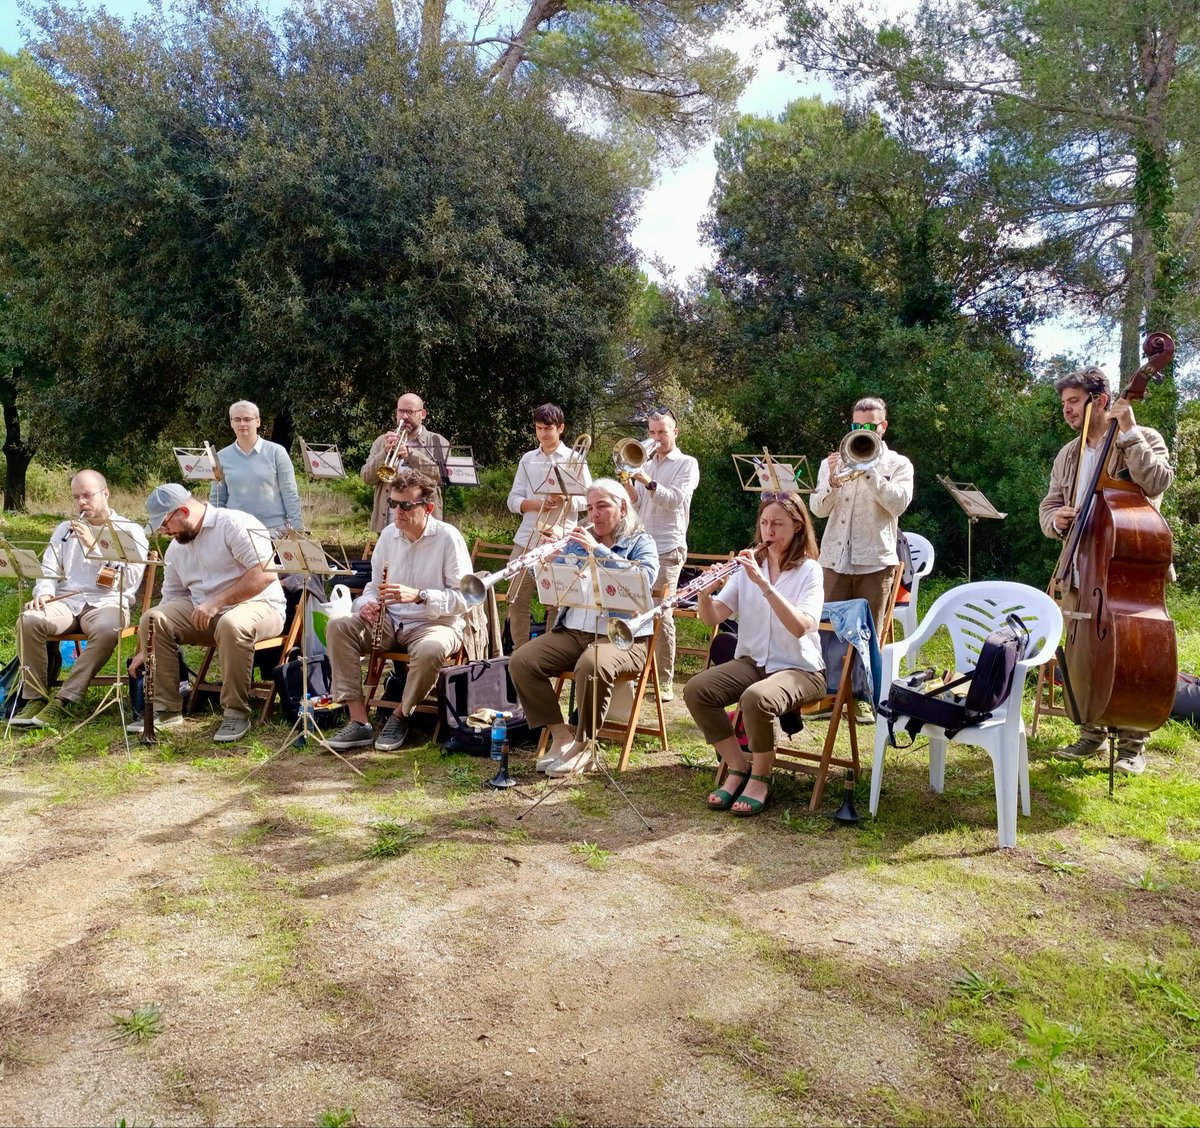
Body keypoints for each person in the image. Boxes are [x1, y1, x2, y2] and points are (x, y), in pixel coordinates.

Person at [1039, 365, 1174, 775]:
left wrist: (1130, 432)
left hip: (1126, 566)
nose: (1067, 411)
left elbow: (1158, 482)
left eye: (1074, 402)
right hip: (1082, 566)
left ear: (1100, 400)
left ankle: (1133, 743)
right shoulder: (1068, 454)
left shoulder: (1142, 438)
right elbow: (1048, 505)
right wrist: (1055, 520)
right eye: (1064, 404)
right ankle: (1091, 731)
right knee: (1084, 655)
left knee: (1134, 655)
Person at [683, 494, 826, 816]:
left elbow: (802, 626)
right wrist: (705, 593)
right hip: (752, 661)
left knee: (755, 698)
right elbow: (712, 617)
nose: (768, 531)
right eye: (764, 523)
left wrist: (763, 583)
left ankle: (760, 777)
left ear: (797, 526)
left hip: (800, 668)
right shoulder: (748, 566)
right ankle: (737, 766)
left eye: (777, 524)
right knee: (697, 690)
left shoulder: (809, 571)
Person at [509, 478, 659, 777]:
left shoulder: (642, 542)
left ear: (623, 508)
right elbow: (553, 589)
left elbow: (644, 580)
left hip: (621, 638)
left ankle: (584, 744)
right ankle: (561, 735)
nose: (594, 515)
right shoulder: (576, 543)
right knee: (522, 661)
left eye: (602, 506)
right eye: (590, 508)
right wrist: (549, 559)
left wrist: (599, 552)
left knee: (590, 665)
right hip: (572, 631)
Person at [325, 469, 471, 752]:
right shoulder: (389, 536)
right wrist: (364, 604)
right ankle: (359, 721)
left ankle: (400, 714)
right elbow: (372, 587)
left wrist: (421, 596)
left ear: (428, 508)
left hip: (436, 623)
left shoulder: (448, 538)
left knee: (431, 649)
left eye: (406, 505)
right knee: (338, 627)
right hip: (391, 620)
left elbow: (466, 598)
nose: (397, 512)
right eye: (393, 503)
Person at [128, 484, 286, 743]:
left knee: (231, 623)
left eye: (165, 523)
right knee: (154, 619)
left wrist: (218, 601)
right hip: (206, 612)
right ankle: (166, 710)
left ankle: (236, 712)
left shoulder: (234, 524)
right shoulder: (177, 547)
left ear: (184, 511)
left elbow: (265, 574)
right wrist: (145, 648)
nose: (163, 531)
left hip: (261, 605)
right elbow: (172, 599)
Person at [9, 470, 148, 729]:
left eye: (87, 495)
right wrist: (44, 593)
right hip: (66, 601)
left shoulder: (129, 530)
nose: (81, 503)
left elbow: (130, 581)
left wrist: (94, 547)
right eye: (76, 497)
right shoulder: (64, 530)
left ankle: (64, 699)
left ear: (105, 494)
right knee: (29, 620)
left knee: (108, 629)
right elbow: (49, 569)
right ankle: (35, 696)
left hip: (108, 602)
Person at [808, 396, 913, 635]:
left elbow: (898, 505)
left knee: (868, 637)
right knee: (826, 634)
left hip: (875, 564)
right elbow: (817, 510)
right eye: (856, 427)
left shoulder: (899, 464)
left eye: (869, 427)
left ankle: (865, 675)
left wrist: (869, 471)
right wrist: (832, 481)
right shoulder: (831, 462)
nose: (862, 431)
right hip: (834, 562)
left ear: (883, 427)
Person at [622, 407, 699, 701]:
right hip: (640, 544)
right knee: (633, 609)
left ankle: (664, 681)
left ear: (675, 432)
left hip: (668, 546)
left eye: (662, 432)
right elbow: (637, 503)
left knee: (661, 612)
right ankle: (635, 673)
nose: (656, 438)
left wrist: (644, 479)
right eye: (652, 432)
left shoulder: (687, 464)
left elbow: (674, 501)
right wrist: (628, 483)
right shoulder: (648, 464)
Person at [505, 403, 592, 650]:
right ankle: (519, 656)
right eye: (538, 428)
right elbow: (513, 500)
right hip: (527, 538)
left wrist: (566, 498)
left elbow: (588, 499)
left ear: (560, 428)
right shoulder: (527, 459)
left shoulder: (575, 459)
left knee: (555, 602)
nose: (543, 433)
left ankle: (548, 655)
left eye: (548, 428)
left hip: (560, 539)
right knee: (516, 599)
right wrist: (538, 502)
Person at [361, 393, 451, 532]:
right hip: (388, 523)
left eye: (410, 412)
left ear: (422, 414)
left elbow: (443, 476)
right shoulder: (381, 441)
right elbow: (367, 478)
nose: (404, 417)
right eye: (401, 411)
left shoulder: (437, 442)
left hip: (423, 525)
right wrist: (384, 453)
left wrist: (411, 455)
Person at [209, 400, 303, 532]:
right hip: (235, 532)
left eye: (247, 419)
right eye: (237, 419)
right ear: (231, 423)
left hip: (274, 531)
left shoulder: (277, 452)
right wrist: (215, 530)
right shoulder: (220, 456)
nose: (242, 424)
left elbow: (289, 492)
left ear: (257, 422)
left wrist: (297, 529)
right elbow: (217, 497)